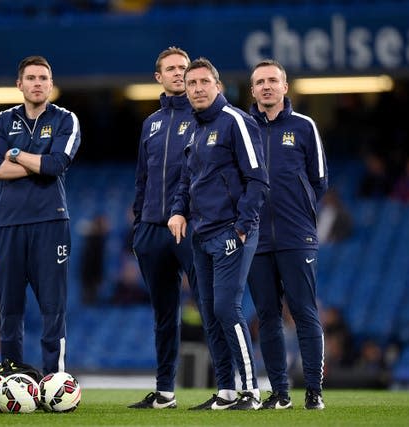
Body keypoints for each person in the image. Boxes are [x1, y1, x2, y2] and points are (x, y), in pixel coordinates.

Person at [129, 47, 236, 411]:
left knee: (210, 308)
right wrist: (138, 223)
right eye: (171, 69)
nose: (179, 74)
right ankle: (164, 392)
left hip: (193, 228)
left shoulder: (207, 119)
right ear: (158, 77)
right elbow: (142, 178)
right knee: (163, 314)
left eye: (184, 69)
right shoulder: (151, 123)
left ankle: (226, 389)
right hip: (151, 229)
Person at [168, 57, 270, 410]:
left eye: (203, 82)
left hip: (231, 231)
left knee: (227, 308)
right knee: (211, 314)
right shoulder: (193, 129)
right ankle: (226, 391)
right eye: (190, 83)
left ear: (218, 86)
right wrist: (178, 211)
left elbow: (257, 179)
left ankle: (251, 392)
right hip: (201, 234)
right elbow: (186, 180)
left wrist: (242, 227)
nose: (196, 89)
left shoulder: (235, 121)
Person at [0, 56, 81, 376]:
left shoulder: (66, 119)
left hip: (50, 223)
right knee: (9, 311)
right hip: (7, 224)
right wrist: (36, 162)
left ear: (51, 84)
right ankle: (12, 377)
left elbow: (56, 166)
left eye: (43, 78)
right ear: (19, 84)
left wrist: (15, 154)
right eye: (31, 78)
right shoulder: (1, 120)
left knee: (53, 309)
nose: (37, 83)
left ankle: (54, 379)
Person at [247, 59, 328, 410]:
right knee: (266, 316)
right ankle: (279, 392)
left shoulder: (305, 126)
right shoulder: (243, 128)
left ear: (285, 87)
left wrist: (299, 212)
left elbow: (319, 180)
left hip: (297, 237)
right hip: (256, 238)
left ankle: (314, 391)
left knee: (305, 312)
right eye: (260, 81)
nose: (266, 86)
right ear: (252, 90)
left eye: (272, 80)